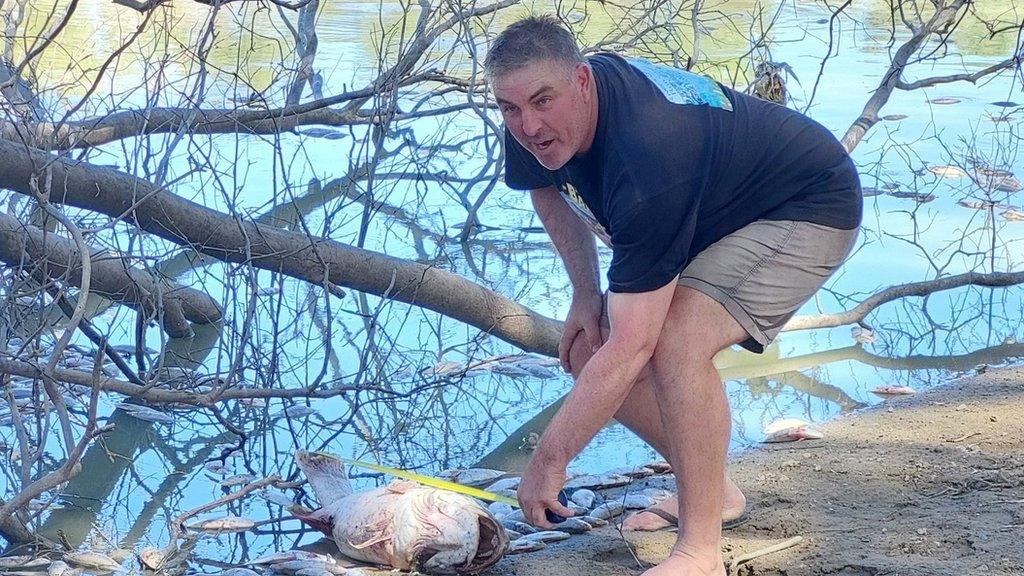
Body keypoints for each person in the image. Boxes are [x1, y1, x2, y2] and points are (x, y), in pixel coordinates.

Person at [486, 15, 862, 576]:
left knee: (675, 344)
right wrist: (584, 296)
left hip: (807, 204)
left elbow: (638, 344)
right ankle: (718, 491)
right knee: (591, 349)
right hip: (714, 210)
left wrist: (549, 459)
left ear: (582, 82)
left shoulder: (649, 157)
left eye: (542, 101)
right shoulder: (534, 120)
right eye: (510, 108)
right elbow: (546, 188)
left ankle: (700, 552)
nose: (528, 124)